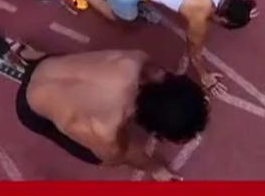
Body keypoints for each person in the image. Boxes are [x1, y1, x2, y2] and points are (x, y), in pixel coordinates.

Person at [65, 0, 257, 92]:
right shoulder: (200, 12)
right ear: (222, 18)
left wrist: (243, 12)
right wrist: (204, 76)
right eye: (223, 24)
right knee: (125, 20)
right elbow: (194, 52)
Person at [15, 49, 208, 180]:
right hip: (30, 106)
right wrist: (156, 168)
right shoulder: (103, 131)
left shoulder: (135, 60)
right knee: (102, 158)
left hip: (49, 64)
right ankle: (29, 62)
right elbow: (126, 155)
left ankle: (28, 54)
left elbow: (160, 75)